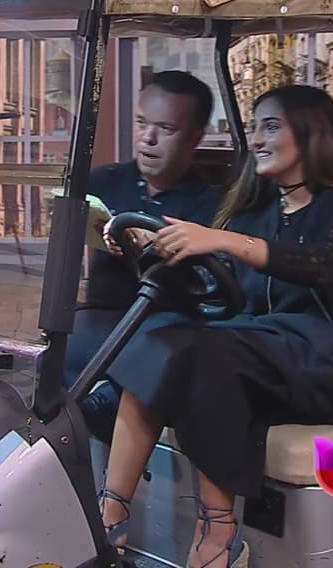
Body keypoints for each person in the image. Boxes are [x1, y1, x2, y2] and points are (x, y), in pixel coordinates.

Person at [94, 85, 333, 568]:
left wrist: (223, 240)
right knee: (160, 339)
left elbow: (322, 263)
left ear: (311, 131)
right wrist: (150, 248)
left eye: (271, 126)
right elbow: (215, 285)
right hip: (264, 350)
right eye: (254, 127)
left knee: (209, 357)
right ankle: (109, 518)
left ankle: (217, 536)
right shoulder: (258, 209)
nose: (256, 139)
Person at [62, 70, 220, 437]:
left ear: (195, 138)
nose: (148, 138)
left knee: (155, 356)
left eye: (165, 129)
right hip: (100, 317)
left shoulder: (212, 208)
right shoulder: (101, 182)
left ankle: (98, 420)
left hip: (167, 326)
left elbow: (211, 288)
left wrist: (160, 251)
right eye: (141, 123)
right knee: (59, 349)